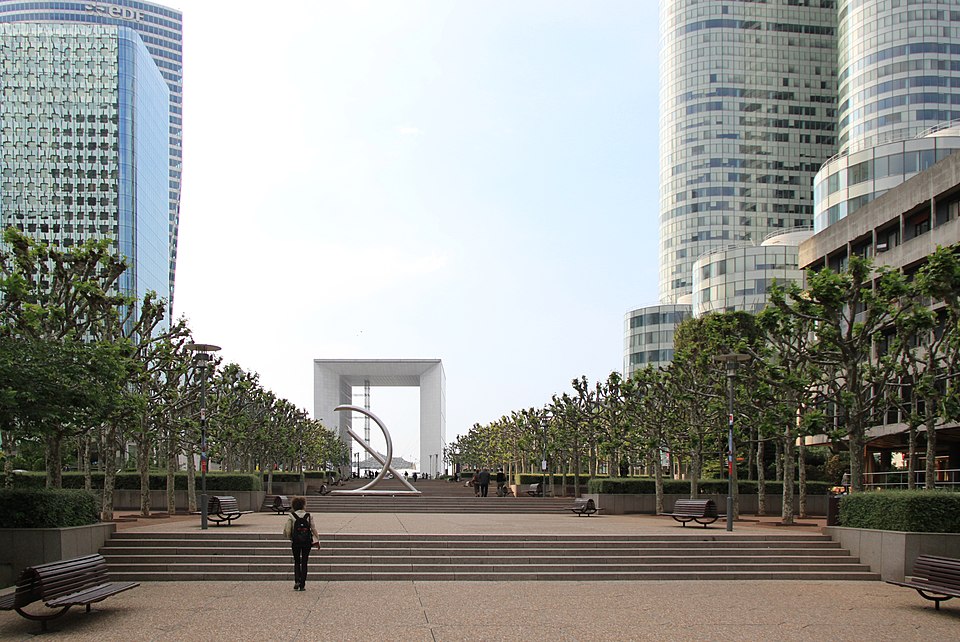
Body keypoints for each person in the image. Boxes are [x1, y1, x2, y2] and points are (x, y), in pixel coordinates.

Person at [283, 496, 318, 591]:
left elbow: (288, 530)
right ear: (303, 505)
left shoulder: (292, 516)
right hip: (306, 542)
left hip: (296, 542)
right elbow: (313, 528)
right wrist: (317, 539)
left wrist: (291, 538)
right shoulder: (308, 516)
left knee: (297, 561)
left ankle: (296, 580)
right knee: (305, 562)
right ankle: (302, 584)